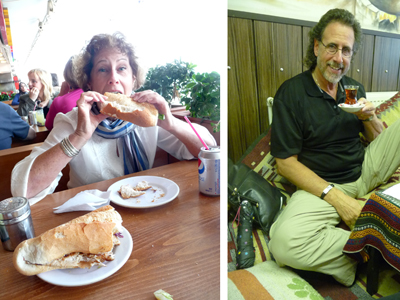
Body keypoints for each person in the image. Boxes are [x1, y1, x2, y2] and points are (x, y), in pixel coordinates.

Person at [268, 8, 400, 287]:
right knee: (283, 243)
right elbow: (285, 163)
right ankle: (375, 246)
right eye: (332, 47)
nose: (339, 59)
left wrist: (370, 117)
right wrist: (340, 200)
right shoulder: (291, 93)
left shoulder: (353, 88)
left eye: (346, 51)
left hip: (365, 169)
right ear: (316, 47)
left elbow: (378, 141)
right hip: (322, 186)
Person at [11, 32, 216, 205]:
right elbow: (24, 189)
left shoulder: (146, 118)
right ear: (89, 82)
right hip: (91, 218)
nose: (113, 78)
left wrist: (170, 123)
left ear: (133, 79)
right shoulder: (73, 122)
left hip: (144, 206)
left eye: (121, 68)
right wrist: (80, 136)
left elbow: (209, 149)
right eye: (102, 69)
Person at [45, 56, 84, 130]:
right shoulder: (98, 94)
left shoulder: (60, 101)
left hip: (70, 140)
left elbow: (49, 126)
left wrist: (61, 94)